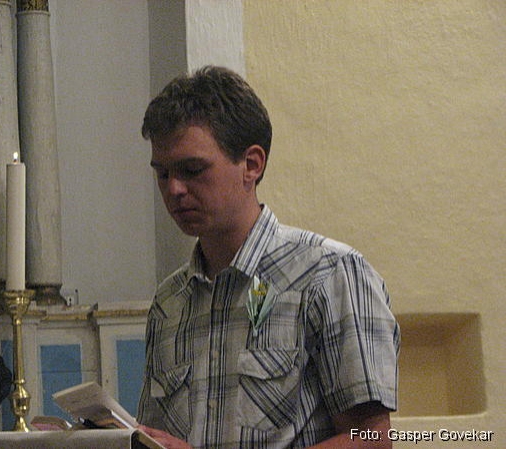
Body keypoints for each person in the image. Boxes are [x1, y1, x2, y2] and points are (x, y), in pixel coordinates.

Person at [137, 65, 400, 449]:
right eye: (162, 174)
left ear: (251, 165)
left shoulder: (329, 273)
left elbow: (372, 440)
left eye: (192, 170)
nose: (174, 189)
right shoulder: (168, 302)